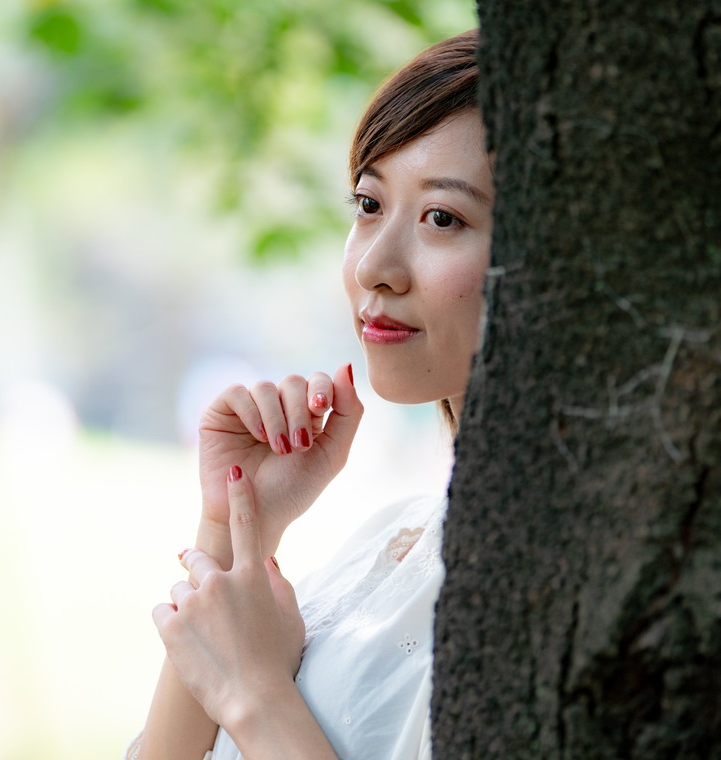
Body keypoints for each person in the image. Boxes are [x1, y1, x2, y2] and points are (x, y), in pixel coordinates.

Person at [127, 28, 490, 759]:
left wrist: (257, 696)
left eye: (442, 217)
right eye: (368, 204)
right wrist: (237, 526)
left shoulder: (547, 578)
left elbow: (253, 698)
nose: (376, 266)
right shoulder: (391, 542)